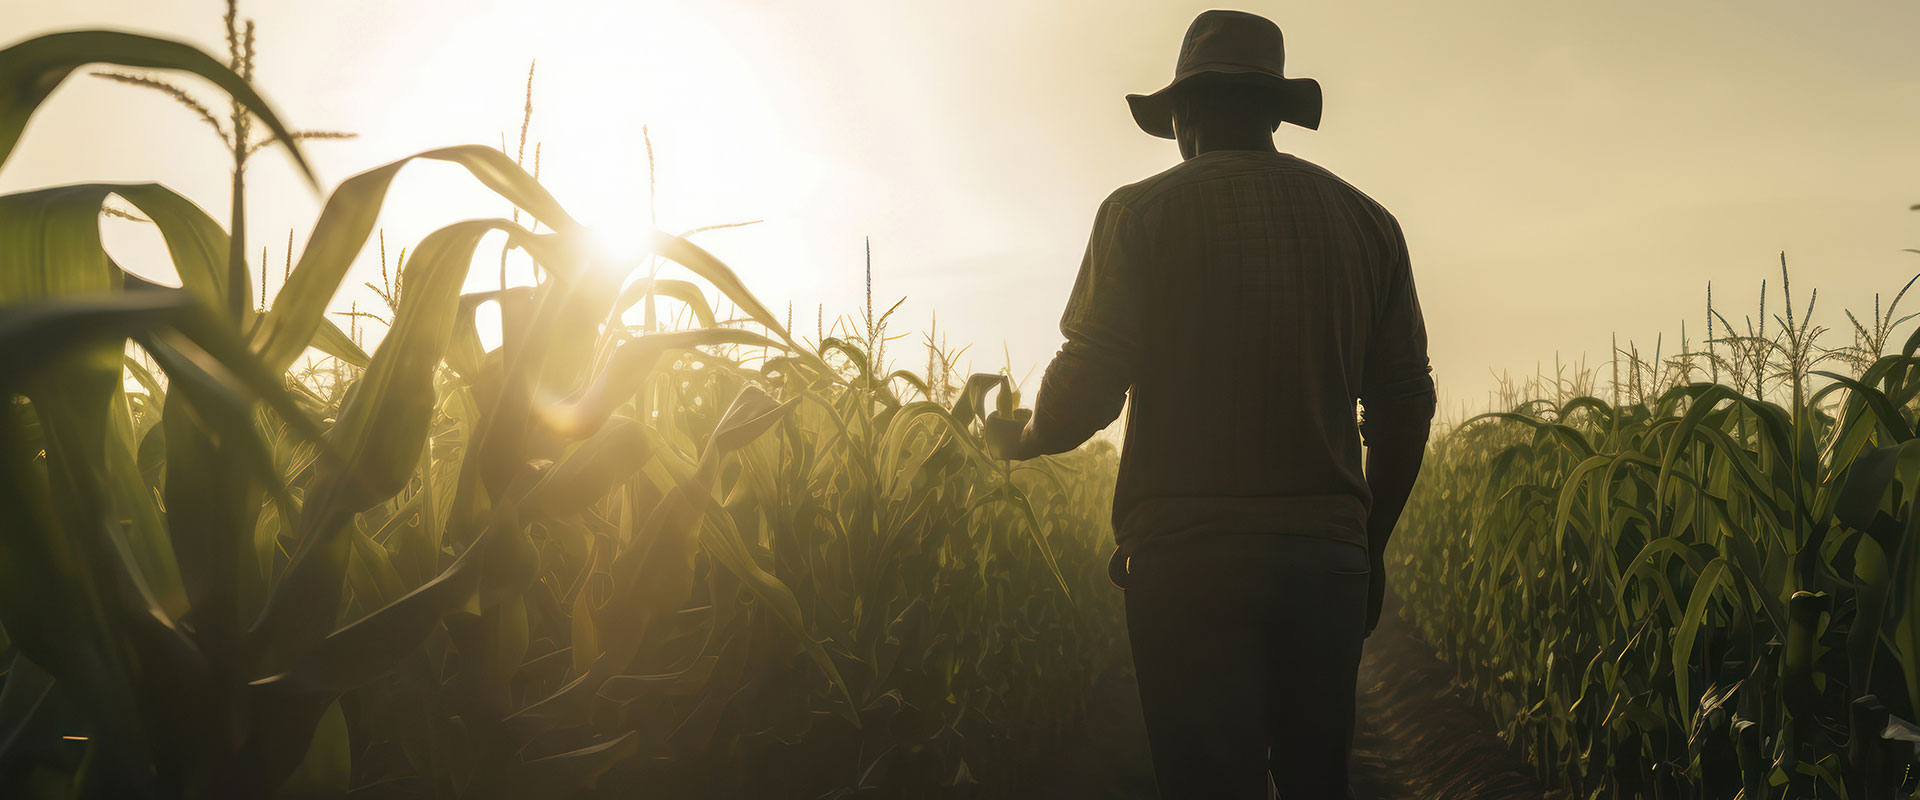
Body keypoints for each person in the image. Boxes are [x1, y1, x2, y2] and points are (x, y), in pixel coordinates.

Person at [983, 9, 1436, 799]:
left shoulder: (1139, 214)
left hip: (1188, 560)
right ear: (1273, 112)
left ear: (1184, 114)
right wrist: (1372, 545)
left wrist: (1020, 438)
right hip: (1324, 561)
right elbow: (1405, 407)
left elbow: (1090, 377)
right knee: (1313, 781)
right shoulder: (1371, 225)